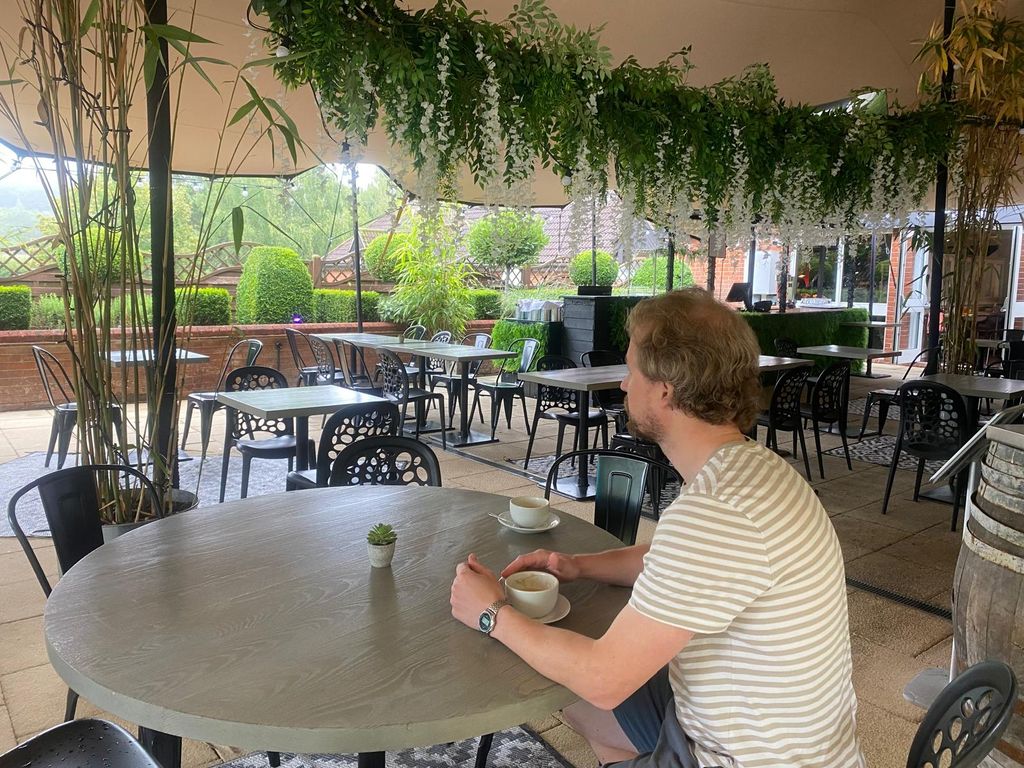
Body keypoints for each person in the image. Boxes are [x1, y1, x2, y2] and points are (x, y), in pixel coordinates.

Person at [450, 288, 865, 768]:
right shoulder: (748, 468)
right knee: (572, 692)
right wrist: (576, 565)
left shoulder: (716, 511)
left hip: (740, 758)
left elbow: (606, 678)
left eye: (631, 371)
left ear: (665, 388)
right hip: (792, 741)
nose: (624, 385)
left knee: (583, 681)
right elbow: (671, 560)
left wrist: (492, 613)